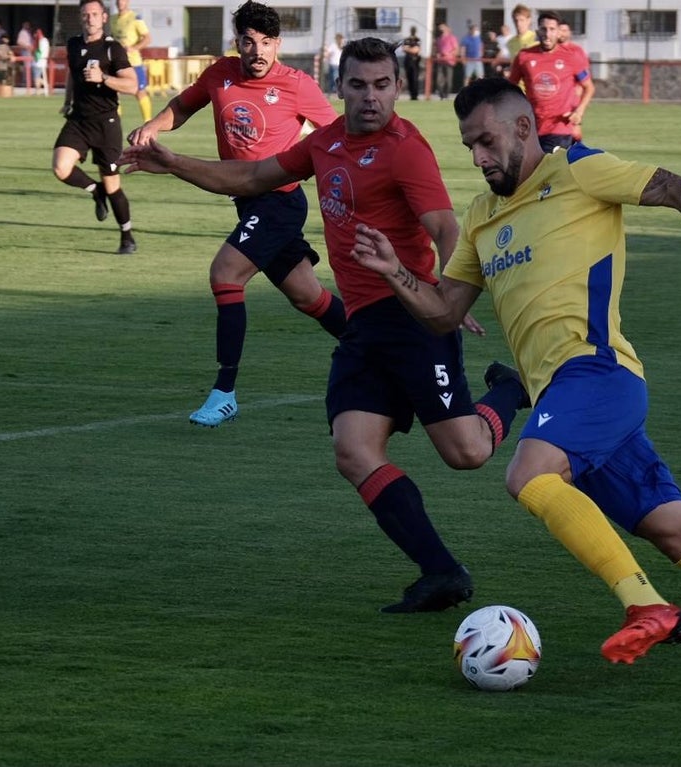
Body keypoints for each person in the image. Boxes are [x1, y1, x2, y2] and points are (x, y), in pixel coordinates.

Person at [349, 77, 681, 682]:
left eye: (487, 142)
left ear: (523, 127)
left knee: (528, 475)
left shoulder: (580, 170)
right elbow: (444, 311)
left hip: (597, 372)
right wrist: (395, 272)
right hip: (571, 403)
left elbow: (680, 189)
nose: (478, 158)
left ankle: (646, 605)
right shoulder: (480, 217)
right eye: (469, 145)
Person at [119, 37, 530, 613]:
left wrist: (451, 292)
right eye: (358, 85)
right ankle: (442, 572)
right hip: (364, 328)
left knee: (465, 453)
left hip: (412, 317)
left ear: (397, 87)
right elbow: (250, 178)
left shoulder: (405, 149)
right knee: (354, 451)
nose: (370, 97)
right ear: (340, 88)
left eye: (382, 85)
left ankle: (509, 389)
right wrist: (172, 162)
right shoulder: (326, 143)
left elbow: (444, 226)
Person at [128, 0, 345, 427]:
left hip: (280, 201)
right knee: (309, 296)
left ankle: (224, 392)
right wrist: (154, 124)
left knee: (225, 274)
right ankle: (381, 349)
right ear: (237, 43)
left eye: (266, 43)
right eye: (249, 42)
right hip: (248, 201)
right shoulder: (219, 74)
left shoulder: (297, 84)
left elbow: (335, 134)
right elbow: (184, 105)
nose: (258, 51)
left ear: (278, 44)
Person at [53, 0, 141, 254]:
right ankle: (95, 190)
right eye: (85, 14)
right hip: (79, 120)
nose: (89, 18)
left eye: (94, 14)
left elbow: (133, 85)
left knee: (113, 184)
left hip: (106, 123)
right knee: (60, 167)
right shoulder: (73, 44)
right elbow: (72, 73)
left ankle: (127, 236)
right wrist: (67, 100)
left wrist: (103, 77)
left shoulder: (113, 49)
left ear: (104, 18)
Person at [507, 11, 594, 153]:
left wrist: (579, 112)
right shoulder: (524, 57)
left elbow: (588, 87)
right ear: (537, 31)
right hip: (532, 128)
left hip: (559, 128)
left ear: (559, 32)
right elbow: (509, 87)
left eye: (552, 29)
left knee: (549, 170)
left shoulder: (571, 57)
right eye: (543, 29)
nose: (547, 34)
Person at [112, 0, 154, 122]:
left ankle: (148, 122)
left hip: (133, 62)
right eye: (118, 1)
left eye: (122, 0)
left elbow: (147, 38)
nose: (120, 3)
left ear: (128, 2)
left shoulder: (135, 18)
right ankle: (115, 121)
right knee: (114, 91)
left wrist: (133, 48)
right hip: (117, 61)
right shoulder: (112, 18)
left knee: (140, 92)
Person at [433, 23, 457, 100]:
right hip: (440, 61)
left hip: (449, 61)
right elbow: (435, 49)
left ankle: (446, 94)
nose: (441, 30)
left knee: (448, 80)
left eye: (442, 28)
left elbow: (456, 50)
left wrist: (448, 54)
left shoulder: (452, 38)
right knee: (438, 79)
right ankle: (441, 94)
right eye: (439, 28)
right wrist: (437, 54)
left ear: (446, 29)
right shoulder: (438, 39)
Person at [400, 26, 421, 100]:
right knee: (409, 78)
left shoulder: (417, 39)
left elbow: (416, 50)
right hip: (408, 60)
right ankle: (411, 95)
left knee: (415, 78)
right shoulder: (407, 39)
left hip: (415, 61)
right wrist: (411, 49)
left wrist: (408, 49)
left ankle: (415, 95)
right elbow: (403, 48)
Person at [32, 28, 50, 96]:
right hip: (43, 61)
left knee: (36, 77)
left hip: (38, 61)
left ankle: (44, 86)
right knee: (39, 76)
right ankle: (39, 90)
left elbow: (38, 51)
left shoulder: (40, 41)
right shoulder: (46, 41)